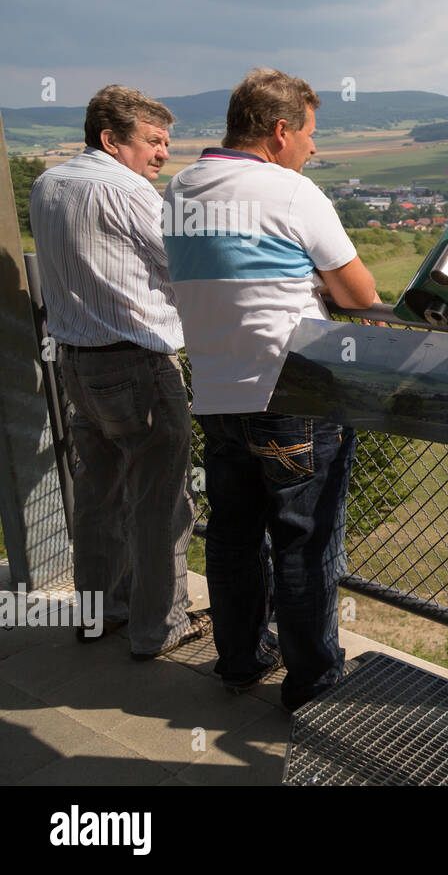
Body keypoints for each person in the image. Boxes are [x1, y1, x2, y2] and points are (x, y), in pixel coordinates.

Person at [163, 68, 377, 709]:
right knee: (304, 542)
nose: (314, 149)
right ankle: (314, 680)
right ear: (280, 131)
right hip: (292, 393)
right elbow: (360, 295)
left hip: (218, 392)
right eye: (310, 134)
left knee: (232, 537)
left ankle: (240, 660)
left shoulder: (180, 187)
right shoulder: (291, 192)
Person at [29, 84, 209, 658]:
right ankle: (158, 629)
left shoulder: (47, 183)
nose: (163, 155)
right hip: (137, 363)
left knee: (100, 494)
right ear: (111, 139)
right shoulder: (126, 190)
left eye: (166, 143)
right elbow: (184, 265)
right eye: (153, 142)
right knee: (160, 500)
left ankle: (96, 613)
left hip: (76, 366)